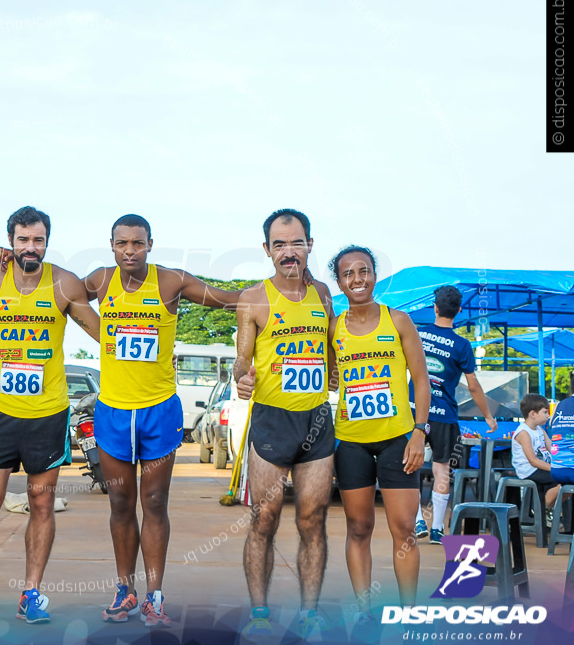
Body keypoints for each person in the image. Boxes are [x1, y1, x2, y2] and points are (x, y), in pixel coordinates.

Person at [82, 214, 245, 627]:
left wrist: (278, 285)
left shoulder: (171, 282)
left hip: (159, 411)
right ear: (112, 245)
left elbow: (229, 298)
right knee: (120, 502)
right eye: (122, 244)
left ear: (150, 244)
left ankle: (154, 595)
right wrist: (19, 261)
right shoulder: (101, 281)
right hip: (114, 412)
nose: (130, 251)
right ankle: (125, 589)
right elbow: (57, 290)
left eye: (138, 243)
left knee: (154, 503)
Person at [0, 206, 100, 626]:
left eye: (38, 240)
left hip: (47, 416)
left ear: (47, 241)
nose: (30, 247)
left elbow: (102, 332)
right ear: (10, 241)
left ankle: (31, 593)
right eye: (22, 240)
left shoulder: (63, 283)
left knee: (41, 505)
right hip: (0, 413)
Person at [233, 209, 337, 639]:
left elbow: (332, 346)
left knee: (313, 519)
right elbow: (242, 354)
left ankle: (309, 612)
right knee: (264, 518)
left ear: (309, 244)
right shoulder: (253, 298)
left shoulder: (324, 293)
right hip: (271, 421)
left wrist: (333, 371)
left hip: (316, 422)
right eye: (279, 244)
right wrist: (241, 375)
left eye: (296, 242)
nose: (288, 252)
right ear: (267, 250)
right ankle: (260, 610)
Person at [327, 246, 429, 636]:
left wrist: (419, 431)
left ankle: (409, 615)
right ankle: (365, 610)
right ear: (339, 282)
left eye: (364, 271)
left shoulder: (398, 320)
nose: (358, 279)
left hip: (398, 440)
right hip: (350, 442)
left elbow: (420, 380)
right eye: (348, 274)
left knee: (404, 528)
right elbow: (330, 377)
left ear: (374, 275)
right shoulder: (334, 328)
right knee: (358, 527)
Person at [408, 285, 498, 545]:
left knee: (408, 467)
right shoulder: (462, 345)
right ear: (459, 310)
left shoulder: (418, 334)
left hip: (415, 413)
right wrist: (488, 417)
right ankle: (437, 529)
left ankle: (416, 521)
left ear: (434, 307)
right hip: (445, 416)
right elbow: (473, 385)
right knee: (442, 470)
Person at [511, 393, 561, 524]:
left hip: (541, 467)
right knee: (562, 479)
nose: (548, 416)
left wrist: (567, 458)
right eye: (545, 412)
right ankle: (541, 510)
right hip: (529, 470)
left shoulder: (539, 429)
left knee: (567, 478)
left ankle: (546, 509)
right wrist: (556, 468)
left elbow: (553, 449)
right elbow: (532, 460)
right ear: (533, 414)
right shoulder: (524, 433)